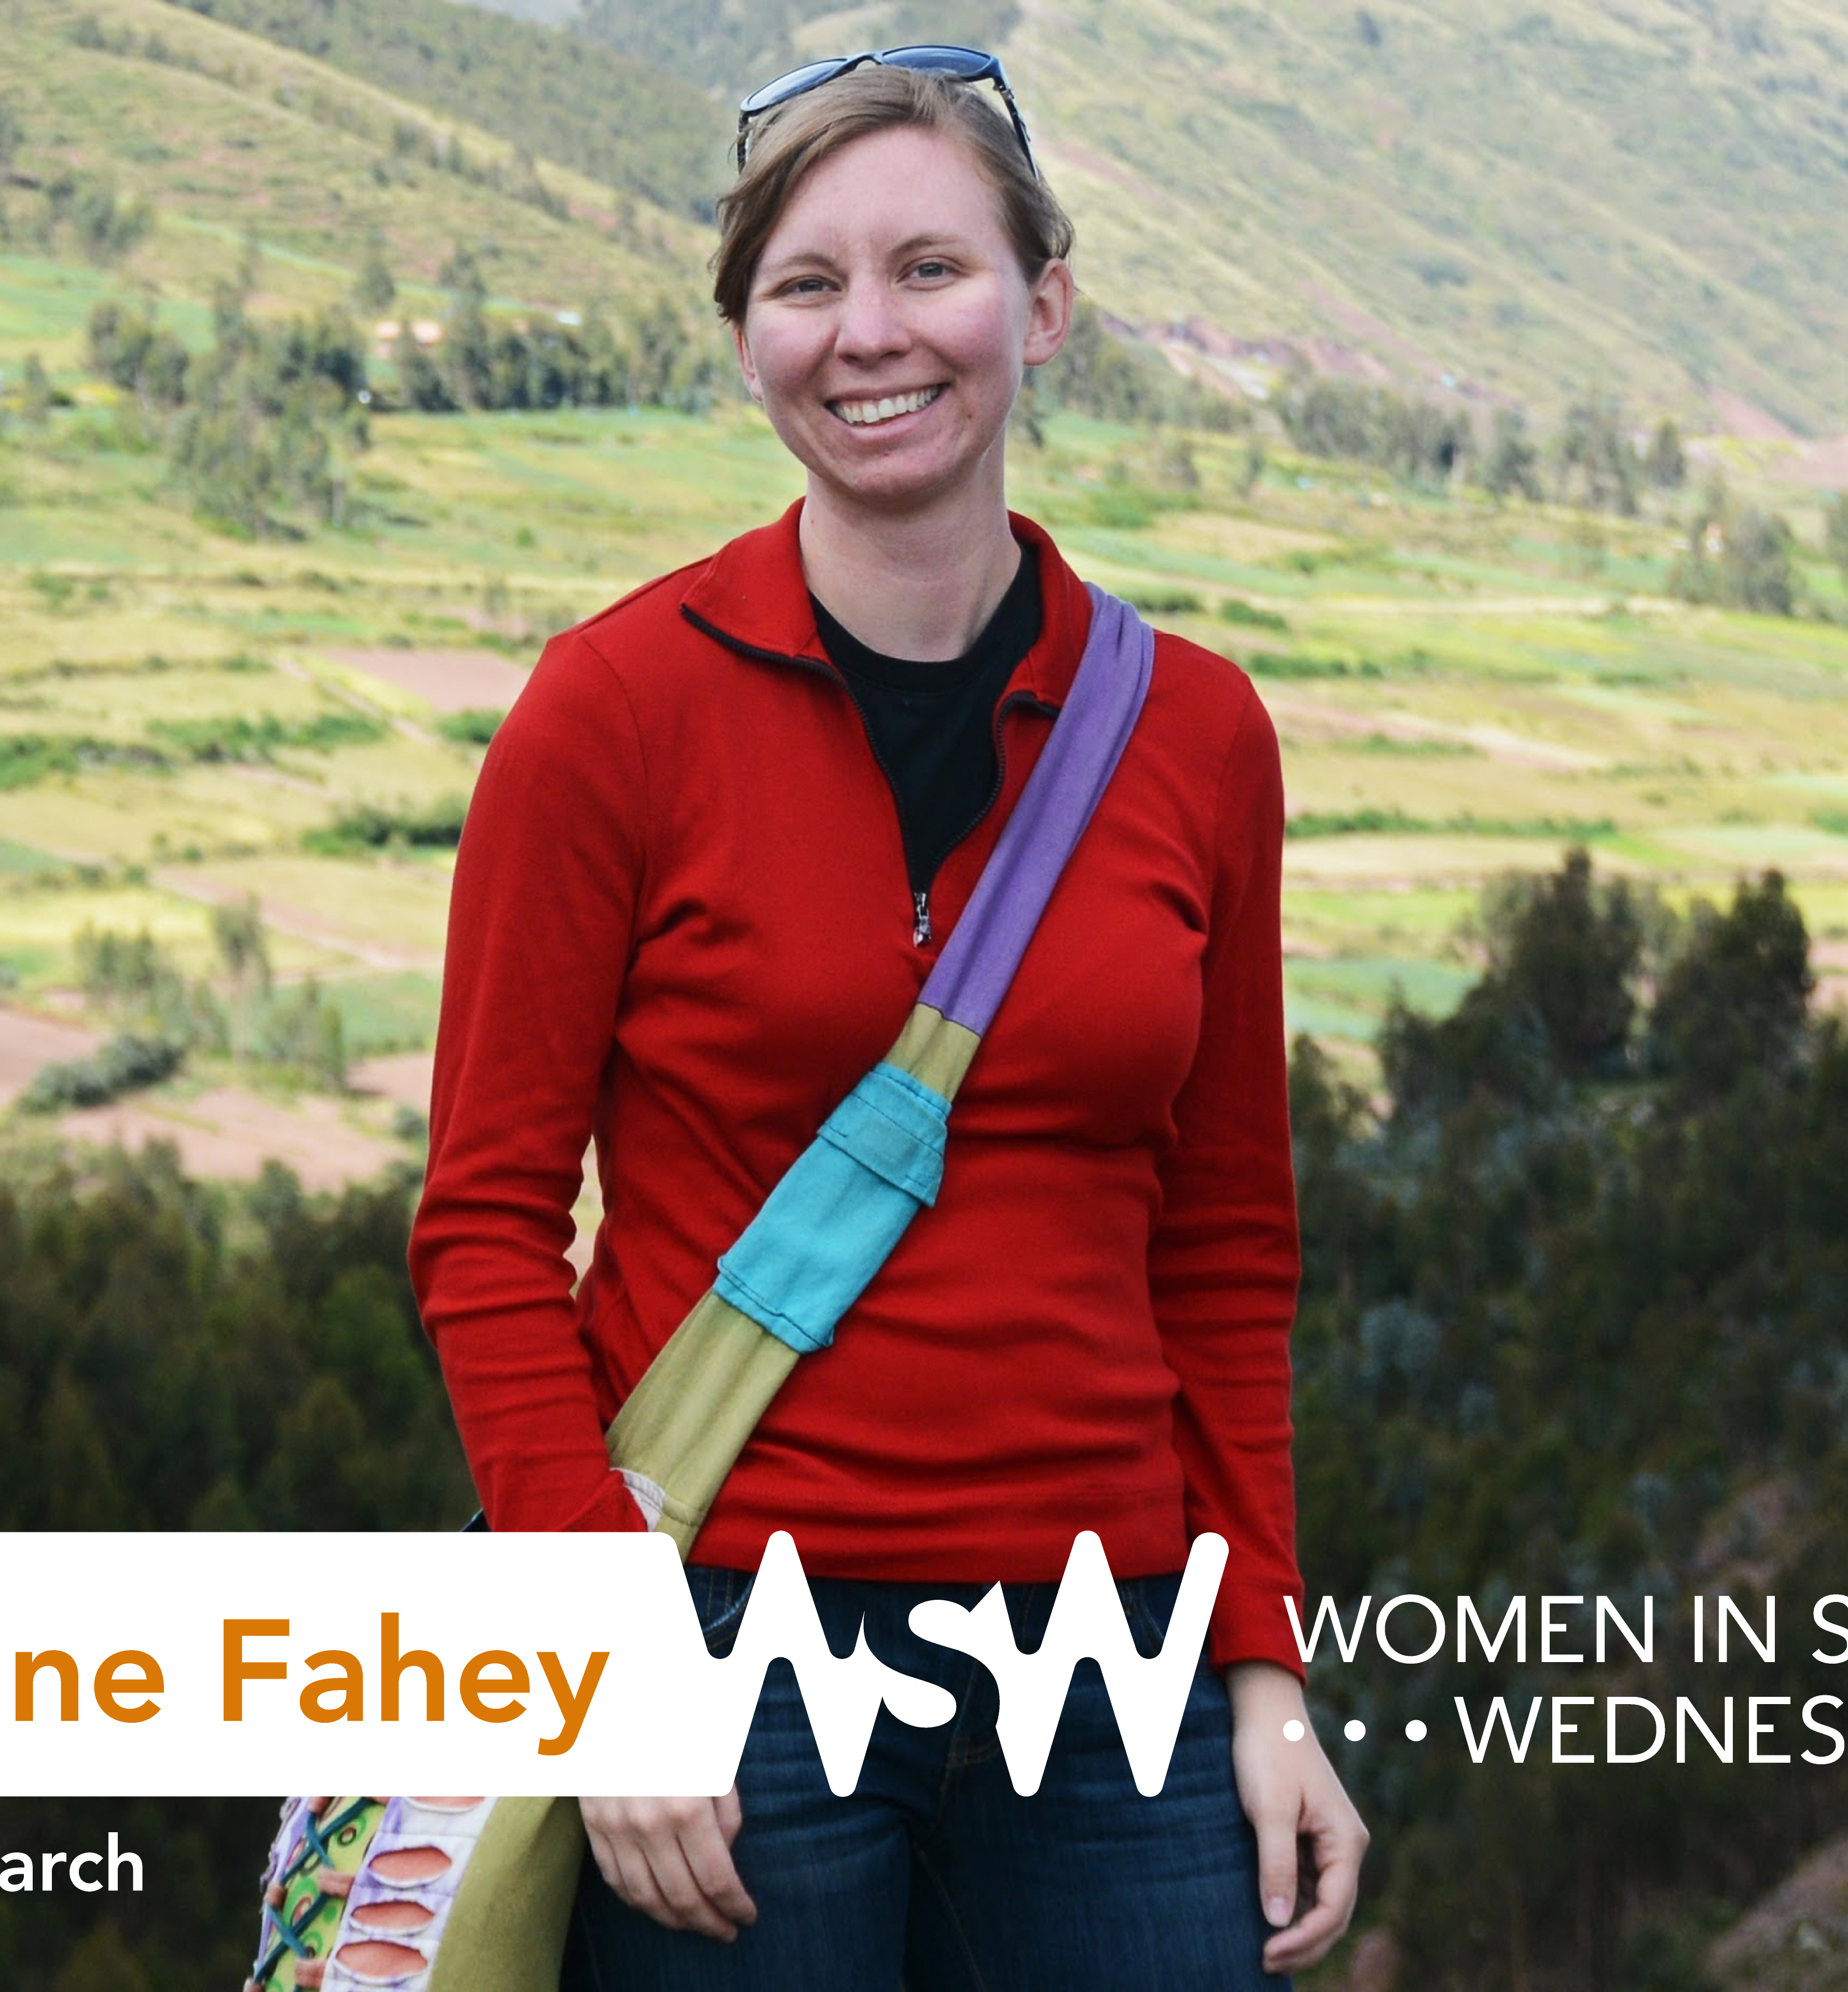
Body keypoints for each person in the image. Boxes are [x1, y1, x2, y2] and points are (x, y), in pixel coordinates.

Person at [405, 49, 1366, 1989]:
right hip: (730, 1665)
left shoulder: (1200, 736)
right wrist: (605, 1664)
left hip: (1116, 1675)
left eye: (931, 267)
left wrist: (1262, 1665)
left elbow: (1230, 1243)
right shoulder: (610, 716)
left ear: (1047, 303)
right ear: (747, 338)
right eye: (808, 286)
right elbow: (487, 1229)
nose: (871, 335)